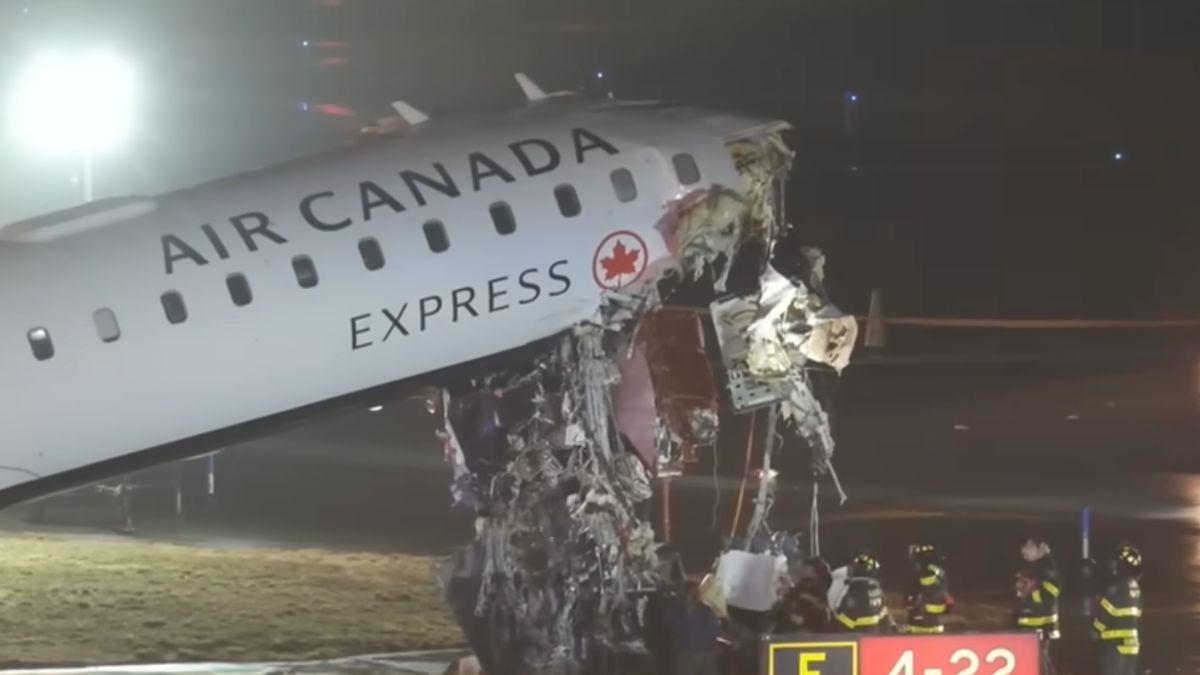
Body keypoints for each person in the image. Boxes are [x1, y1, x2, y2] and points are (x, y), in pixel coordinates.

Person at [1092, 544, 1142, 675]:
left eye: (1115, 561)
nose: (1112, 564)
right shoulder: (1135, 586)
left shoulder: (1117, 585)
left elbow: (1105, 612)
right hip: (1132, 646)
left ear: (1122, 564)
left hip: (1114, 646)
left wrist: (1096, 630)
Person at [1013, 538, 1061, 674]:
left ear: (1040, 547)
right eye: (1022, 548)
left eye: (1028, 547)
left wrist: (1030, 594)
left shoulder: (1046, 566)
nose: (1024, 551)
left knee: (1042, 662)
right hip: (1026, 624)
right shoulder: (1028, 566)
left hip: (1042, 626)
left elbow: (1053, 590)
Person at [835, 552, 894, 633]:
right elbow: (884, 613)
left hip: (854, 635)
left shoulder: (853, 587)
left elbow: (843, 614)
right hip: (875, 634)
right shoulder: (877, 588)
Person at [772, 557, 834, 633]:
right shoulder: (798, 589)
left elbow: (822, 612)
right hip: (792, 630)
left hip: (811, 631)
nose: (804, 571)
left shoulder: (818, 589)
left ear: (816, 572)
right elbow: (785, 606)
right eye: (805, 568)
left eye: (807, 568)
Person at [904, 543, 950, 634]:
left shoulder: (924, 574)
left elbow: (913, 596)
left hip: (921, 624)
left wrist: (909, 600)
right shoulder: (939, 571)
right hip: (938, 622)